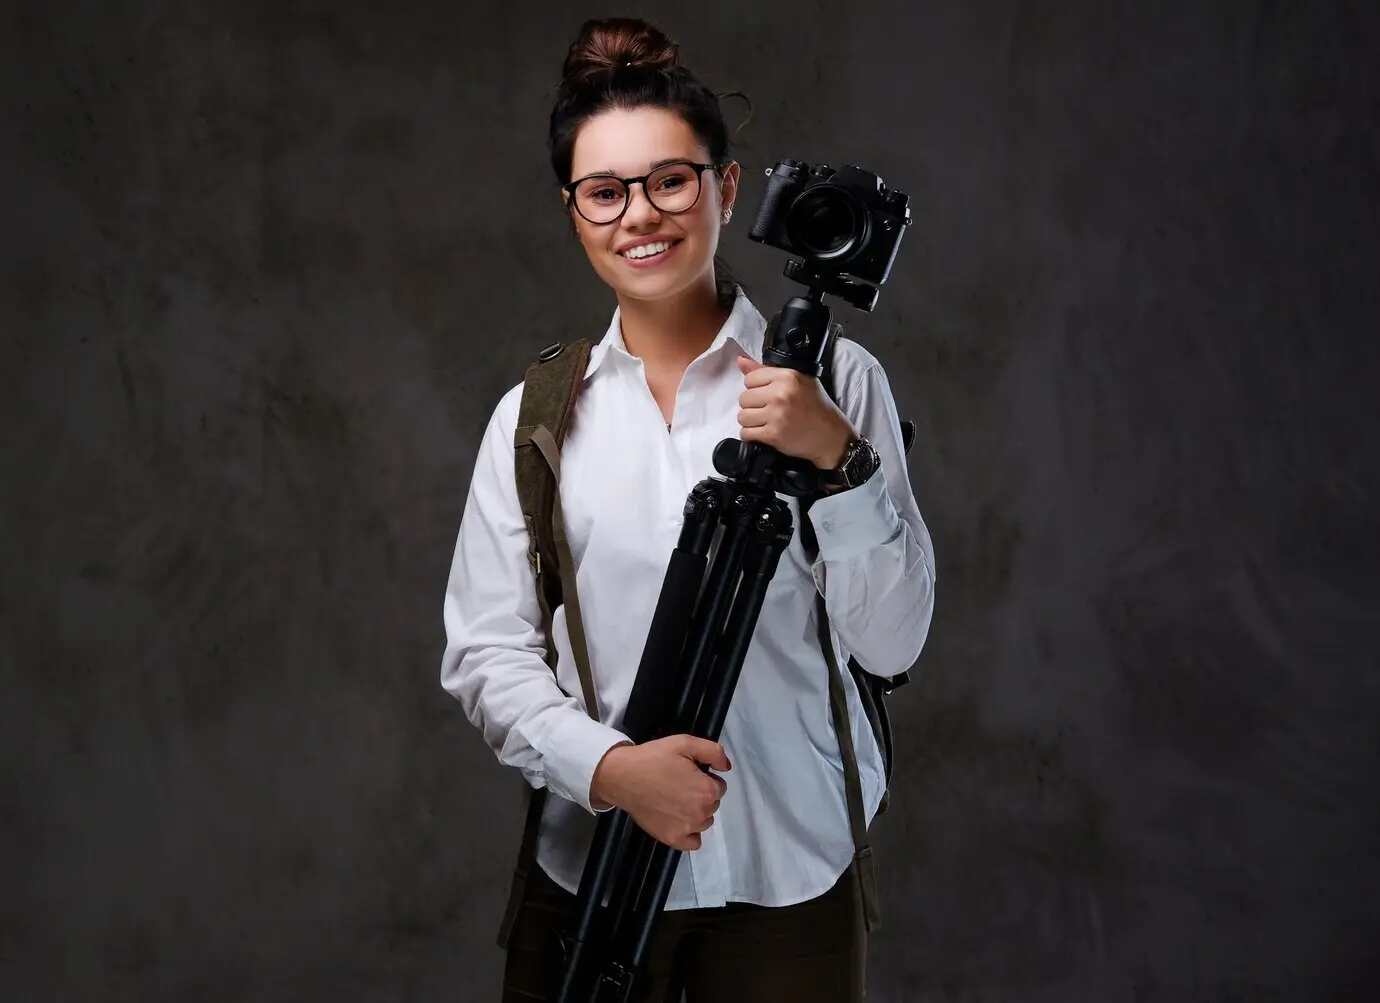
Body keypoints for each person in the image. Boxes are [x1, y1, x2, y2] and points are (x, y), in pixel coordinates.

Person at [440, 16, 937, 1002]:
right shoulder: (538, 416)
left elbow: (894, 643)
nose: (640, 215)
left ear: (727, 186)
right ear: (573, 211)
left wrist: (837, 463)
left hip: (790, 884)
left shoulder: (841, 383)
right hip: (589, 878)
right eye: (604, 192)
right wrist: (614, 768)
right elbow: (487, 653)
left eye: (670, 179)